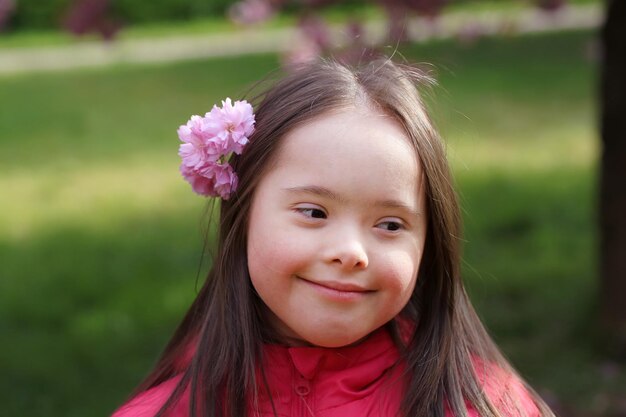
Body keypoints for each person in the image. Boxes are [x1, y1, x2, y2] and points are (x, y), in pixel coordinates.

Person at [111, 58, 554, 417]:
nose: (351, 253)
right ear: (243, 214)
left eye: (390, 225)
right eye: (314, 212)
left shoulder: (491, 407)